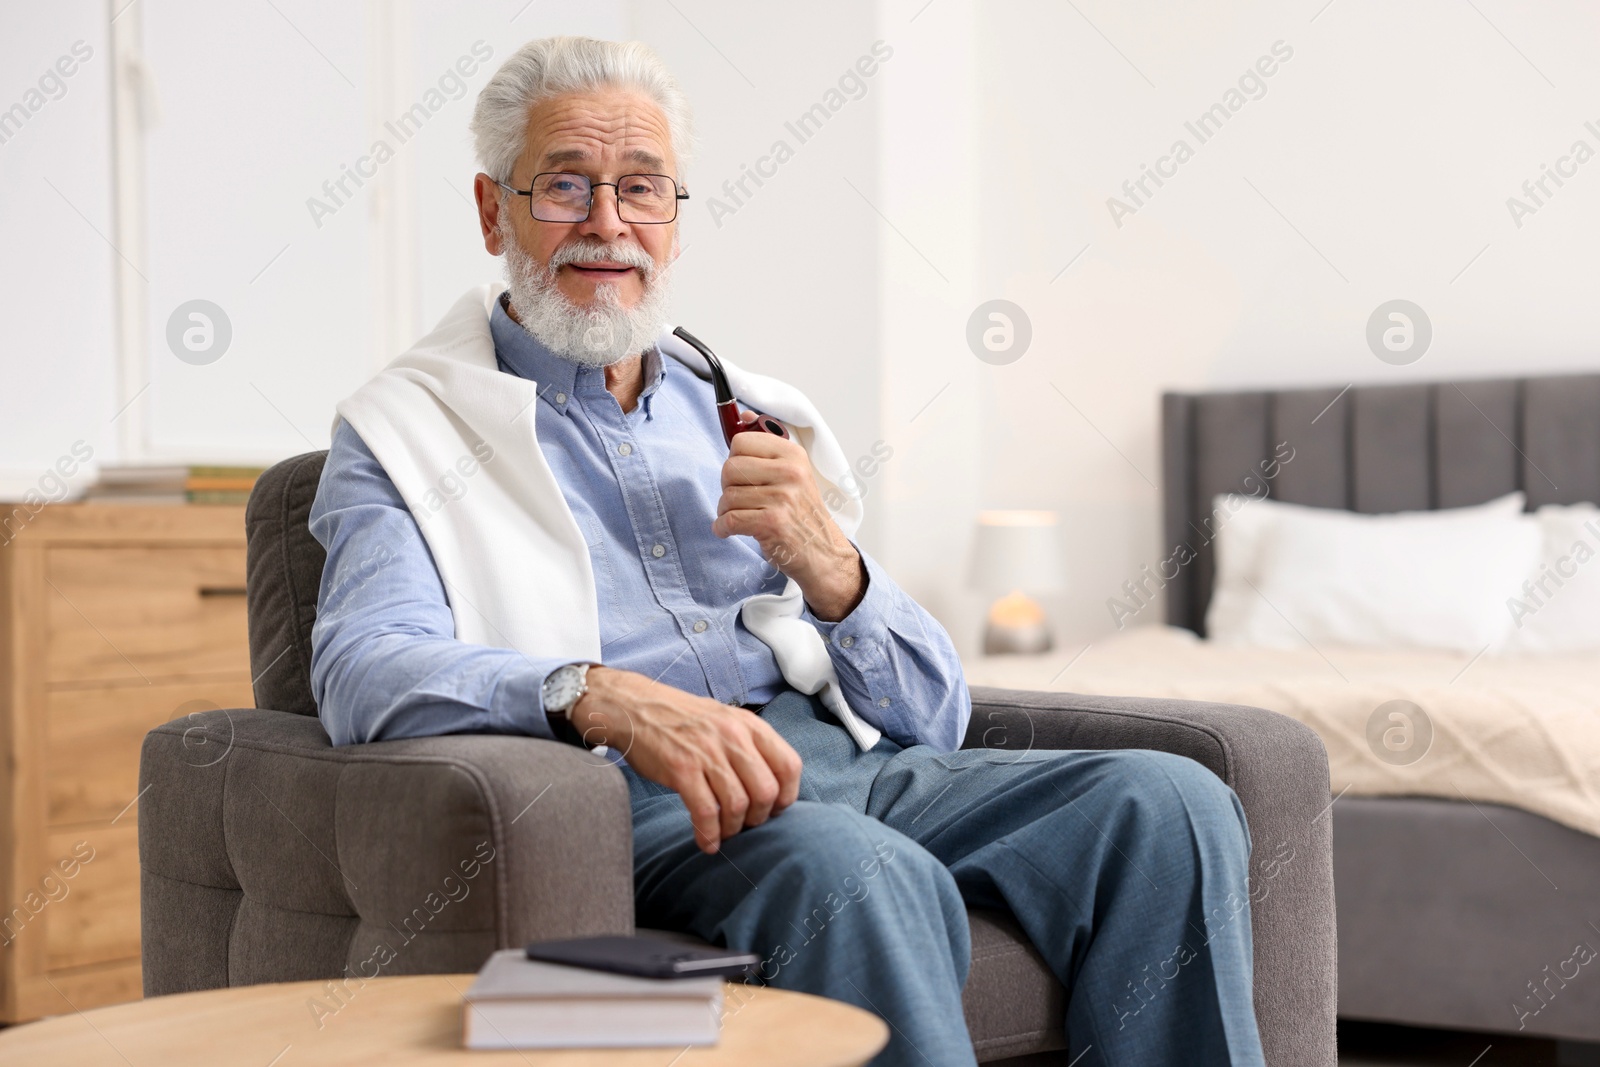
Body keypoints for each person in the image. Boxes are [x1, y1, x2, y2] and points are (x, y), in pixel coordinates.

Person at [308, 34, 1264, 1067]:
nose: (606, 224)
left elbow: (931, 715)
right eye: (565, 187)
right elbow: (363, 666)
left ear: (674, 218)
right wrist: (600, 693)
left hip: (846, 763)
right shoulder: (403, 431)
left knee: (1168, 801)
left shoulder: (756, 414)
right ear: (495, 210)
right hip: (639, 795)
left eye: (641, 189)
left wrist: (831, 564)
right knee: (854, 871)